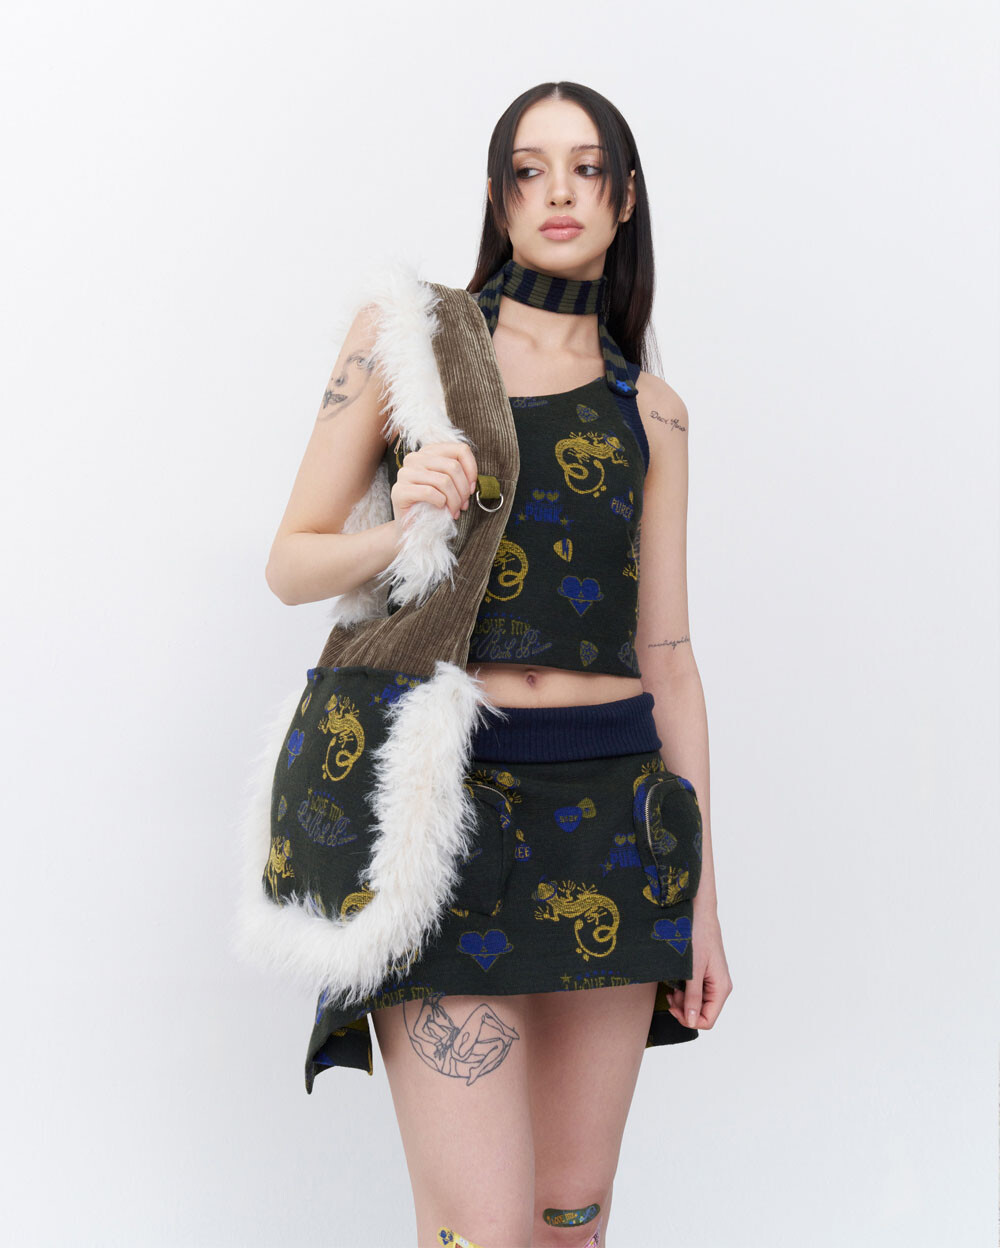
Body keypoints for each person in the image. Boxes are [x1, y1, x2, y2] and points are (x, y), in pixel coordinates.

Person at [264, 81, 732, 1248]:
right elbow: (291, 562)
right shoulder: (412, 346)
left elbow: (668, 656)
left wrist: (700, 905)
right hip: (440, 817)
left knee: (571, 1220)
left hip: (610, 822)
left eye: (585, 168)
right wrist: (399, 527)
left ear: (624, 198)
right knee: (479, 1231)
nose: (557, 191)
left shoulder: (654, 412)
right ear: (497, 196)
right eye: (530, 169)